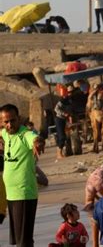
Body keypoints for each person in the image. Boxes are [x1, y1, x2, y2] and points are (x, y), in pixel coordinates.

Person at [1, 103, 45, 247]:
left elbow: (34, 138)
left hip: (24, 193)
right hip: (11, 194)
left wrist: (38, 143)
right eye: (5, 122)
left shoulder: (25, 134)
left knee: (24, 242)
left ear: (19, 119)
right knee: (20, 240)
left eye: (12, 120)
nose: (9, 125)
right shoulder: (4, 134)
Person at [54, 86, 73, 159]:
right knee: (62, 136)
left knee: (63, 136)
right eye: (69, 92)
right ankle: (59, 154)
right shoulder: (62, 101)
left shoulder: (69, 100)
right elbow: (56, 109)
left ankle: (60, 153)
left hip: (64, 119)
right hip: (59, 119)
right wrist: (64, 113)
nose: (70, 94)